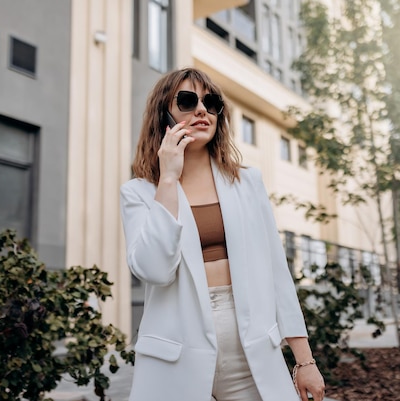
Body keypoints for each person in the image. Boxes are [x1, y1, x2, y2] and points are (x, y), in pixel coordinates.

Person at [120, 67, 325, 401]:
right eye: (187, 101)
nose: (202, 109)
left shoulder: (248, 182)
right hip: (176, 357)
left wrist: (305, 360)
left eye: (210, 102)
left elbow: (277, 272)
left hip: (250, 352)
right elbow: (155, 270)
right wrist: (168, 179)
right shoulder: (139, 193)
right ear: (165, 116)